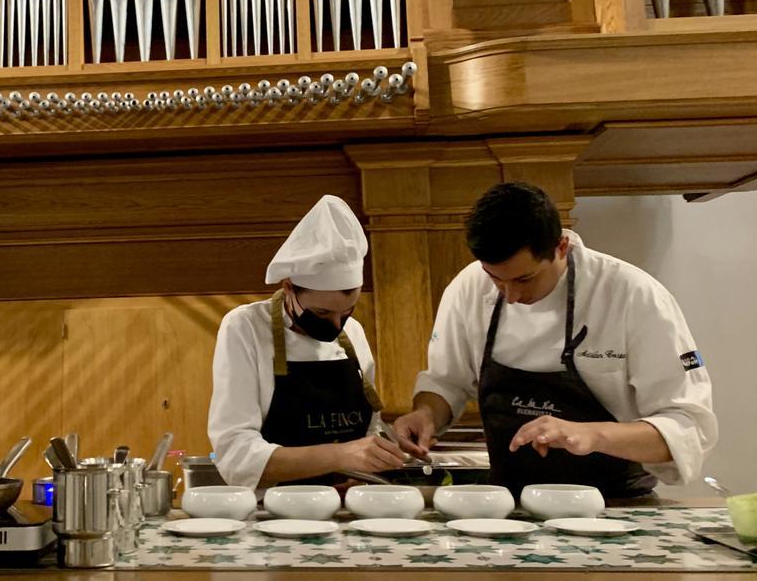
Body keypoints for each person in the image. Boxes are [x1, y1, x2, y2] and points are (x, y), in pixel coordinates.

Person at [393, 182, 717, 496]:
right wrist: (426, 415)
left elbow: (688, 426)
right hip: (509, 507)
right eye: (496, 279)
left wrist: (591, 434)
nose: (512, 296)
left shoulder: (633, 296)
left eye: (525, 278)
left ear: (561, 247)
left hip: (617, 507)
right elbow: (446, 382)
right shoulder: (468, 288)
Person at [208, 195, 405, 490]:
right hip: (273, 513)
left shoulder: (355, 333)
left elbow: (368, 430)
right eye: (323, 312)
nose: (337, 325)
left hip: (349, 507)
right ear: (289, 288)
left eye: (347, 311)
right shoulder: (245, 328)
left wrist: (383, 452)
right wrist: (339, 456)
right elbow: (237, 459)